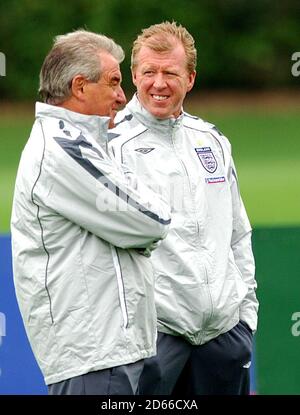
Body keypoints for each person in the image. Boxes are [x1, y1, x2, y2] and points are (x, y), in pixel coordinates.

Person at [10, 29, 171, 395]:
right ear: (80, 87)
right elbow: (153, 221)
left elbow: (138, 220)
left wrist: (133, 231)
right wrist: (139, 233)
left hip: (118, 351)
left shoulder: (89, 141)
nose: (122, 97)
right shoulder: (61, 148)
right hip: (94, 356)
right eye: (114, 82)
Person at [109, 21, 259, 395]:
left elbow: (237, 232)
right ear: (133, 75)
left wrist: (246, 317)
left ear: (190, 78)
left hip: (224, 337)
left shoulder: (212, 140)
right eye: (149, 72)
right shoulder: (111, 144)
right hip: (156, 340)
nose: (159, 83)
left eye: (170, 73)